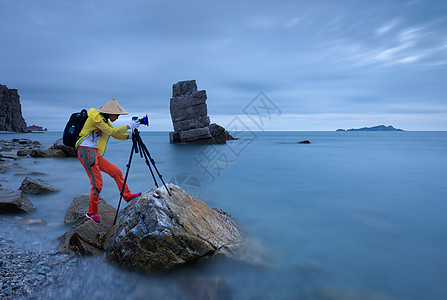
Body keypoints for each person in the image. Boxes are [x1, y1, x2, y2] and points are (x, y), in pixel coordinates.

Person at [75, 99, 141, 223]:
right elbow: (111, 132)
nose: (117, 117)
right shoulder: (97, 118)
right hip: (85, 151)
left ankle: (127, 196)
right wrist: (128, 126)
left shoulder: (104, 121)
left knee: (116, 171)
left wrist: (130, 136)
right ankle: (91, 212)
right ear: (109, 112)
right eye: (116, 115)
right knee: (97, 183)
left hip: (93, 152)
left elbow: (115, 134)